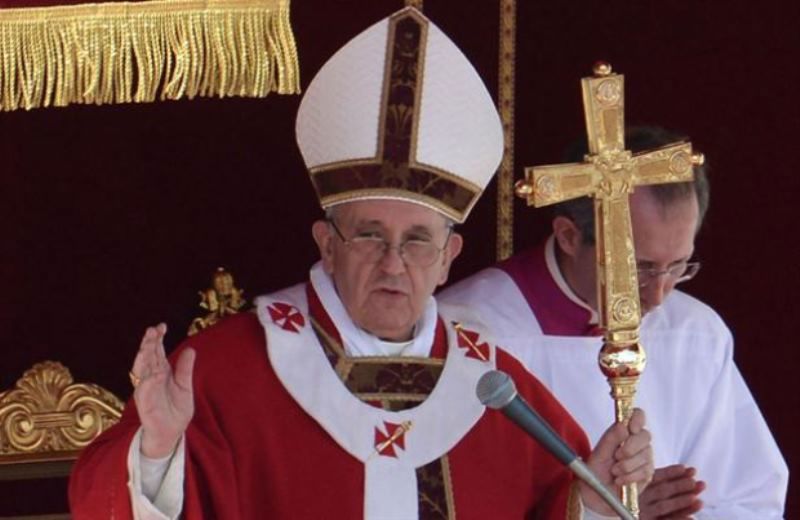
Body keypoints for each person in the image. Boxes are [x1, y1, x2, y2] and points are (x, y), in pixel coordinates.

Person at [68, 8, 654, 519]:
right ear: (326, 244)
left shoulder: (496, 393)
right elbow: (104, 507)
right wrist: (158, 450)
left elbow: (553, 506)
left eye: (418, 241)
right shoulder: (223, 375)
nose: (394, 264)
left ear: (449, 258)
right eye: (370, 236)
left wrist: (594, 501)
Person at [440, 126, 789, 519]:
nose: (658, 297)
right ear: (569, 237)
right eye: (639, 268)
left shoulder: (696, 334)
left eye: (677, 266)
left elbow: (752, 499)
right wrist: (594, 511)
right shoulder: (466, 334)